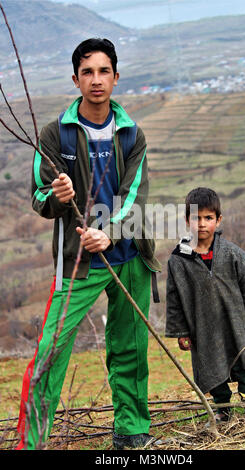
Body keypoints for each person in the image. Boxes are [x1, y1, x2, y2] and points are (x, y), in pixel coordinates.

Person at [16, 38, 161, 450]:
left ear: (115, 77)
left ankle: (132, 430)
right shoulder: (55, 133)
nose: (96, 80)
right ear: (75, 79)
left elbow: (136, 197)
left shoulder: (132, 133)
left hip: (129, 255)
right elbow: (39, 198)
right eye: (87, 72)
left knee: (130, 346)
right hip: (77, 261)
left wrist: (109, 232)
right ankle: (31, 442)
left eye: (103, 71)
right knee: (50, 352)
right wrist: (58, 197)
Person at [165, 187, 245, 422]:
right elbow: (174, 299)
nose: (202, 224)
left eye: (208, 218)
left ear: (218, 219)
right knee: (213, 370)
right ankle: (224, 411)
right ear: (186, 220)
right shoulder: (178, 260)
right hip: (203, 328)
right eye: (196, 218)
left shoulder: (233, 254)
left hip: (237, 323)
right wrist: (180, 331)